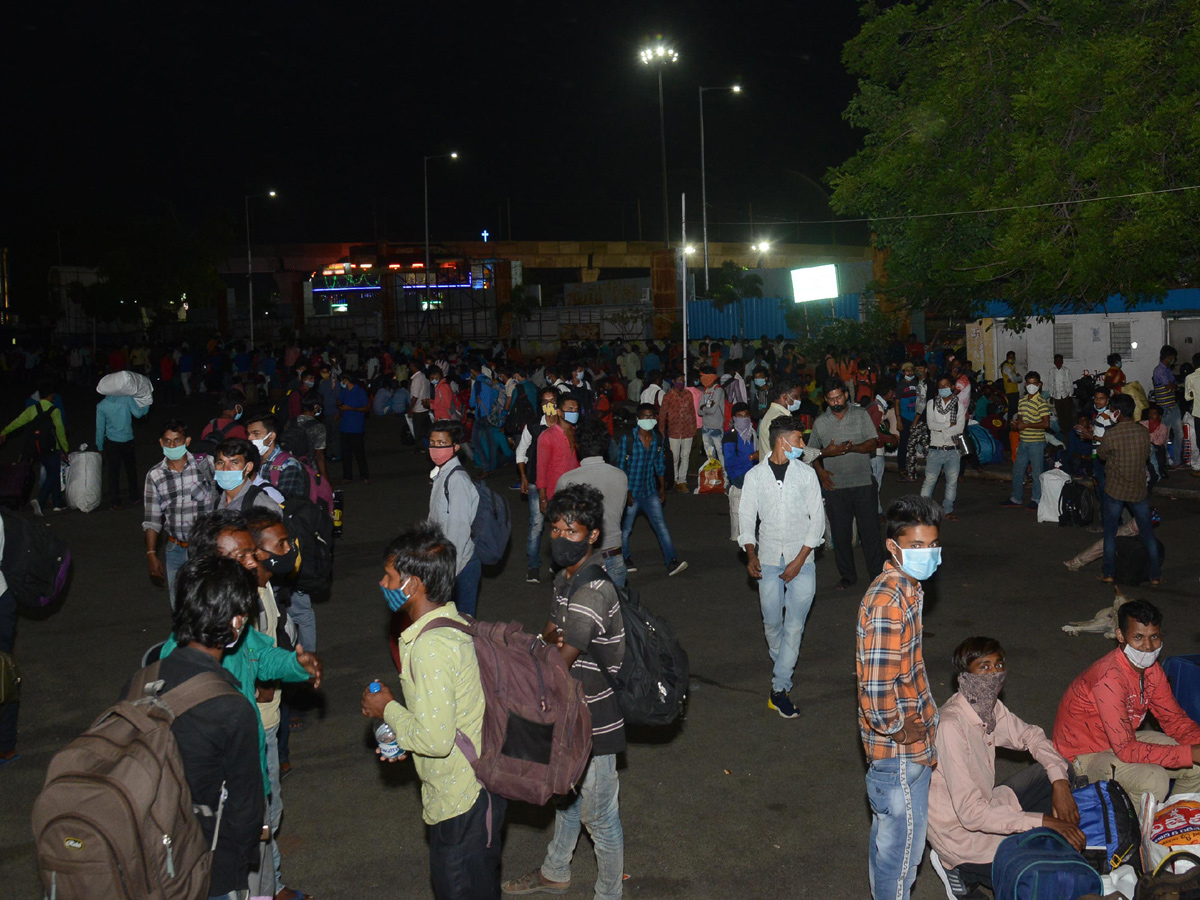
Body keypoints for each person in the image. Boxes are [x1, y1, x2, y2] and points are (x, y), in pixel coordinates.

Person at [360, 522, 502, 900]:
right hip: (467, 792)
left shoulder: (429, 647)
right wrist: (405, 737)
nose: (383, 583)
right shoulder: (452, 621)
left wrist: (387, 708)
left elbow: (436, 740)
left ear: (414, 585)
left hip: (462, 801)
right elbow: (442, 720)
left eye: (390, 576)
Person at [502, 485, 625, 900]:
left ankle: (609, 894)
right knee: (566, 795)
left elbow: (558, 656)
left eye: (571, 532)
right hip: (568, 708)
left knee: (600, 816)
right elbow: (551, 634)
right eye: (554, 529)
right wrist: (542, 644)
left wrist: (530, 651)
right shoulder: (564, 578)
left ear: (592, 536)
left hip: (595, 717)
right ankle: (556, 870)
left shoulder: (591, 590)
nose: (559, 538)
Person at [143, 555, 266, 900]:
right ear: (237, 623)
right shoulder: (230, 707)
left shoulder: (144, 678)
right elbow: (245, 807)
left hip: (146, 850)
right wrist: (239, 864)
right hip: (203, 862)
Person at [928, 637, 1083, 892]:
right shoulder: (950, 727)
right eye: (984, 667)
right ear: (964, 675)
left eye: (999, 666)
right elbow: (972, 815)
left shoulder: (988, 709)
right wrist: (1045, 822)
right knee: (1039, 880)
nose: (995, 674)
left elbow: (1031, 736)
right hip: (963, 838)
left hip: (988, 804)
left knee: (1058, 771)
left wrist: (1060, 784)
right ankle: (957, 870)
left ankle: (1037, 836)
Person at [857, 495, 942, 900]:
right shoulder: (890, 600)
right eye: (917, 546)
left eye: (932, 546)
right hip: (899, 758)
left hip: (907, 751)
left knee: (890, 846)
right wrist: (897, 728)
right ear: (894, 547)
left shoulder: (908, 588)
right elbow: (875, 687)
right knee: (901, 857)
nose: (927, 554)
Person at [1053, 599, 1200, 805]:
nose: (1148, 647)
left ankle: (1174, 825)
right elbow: (1127, 749)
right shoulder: (1108, 678)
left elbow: (1174, 720)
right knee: (1154, 779)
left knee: (1196, 766)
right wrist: (1190, 752)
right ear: (1121, 635)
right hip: (1083, 758)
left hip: (1120, 741)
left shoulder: (1151, 670)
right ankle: (1135, 833)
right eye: (1138, 637)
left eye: (1154, 637)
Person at [739, 415, 824, 719]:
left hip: (803, 559)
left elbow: (818, 520)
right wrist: (750, 554)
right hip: (769, 559)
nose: (803, 445)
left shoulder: (806, 475)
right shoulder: (755, 477)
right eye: (799, 439)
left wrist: (799, 561)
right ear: (782, 441)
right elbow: (747, 519)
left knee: (795, 625)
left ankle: (779, 687)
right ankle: (784, 665)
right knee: (772, 623)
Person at [1077, 393, 1161, 585]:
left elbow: (1102, 455)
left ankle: (1109, 572)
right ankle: (1155, 575)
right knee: (1147, 532)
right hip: (1138, 489)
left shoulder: (1112, 434)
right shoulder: (1142, 432)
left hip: (1115, 489)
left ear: (1117, 412)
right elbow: (1147, 455)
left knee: (1110, 532)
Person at [809, 379, 884, 590]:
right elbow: (809, 452)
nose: (836, 402)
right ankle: (848, 577)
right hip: (835, 486)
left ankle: (877, 577)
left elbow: (873, 442)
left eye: (839, 397)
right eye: (831, 399)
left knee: (870, 534)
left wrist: (851, 449)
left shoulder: (861, 415)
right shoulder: (820, 423)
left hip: (862, 484)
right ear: (826, 400)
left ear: (846, 395)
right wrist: (821, 470)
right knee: (841, 536)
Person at [144, 420, 217, 606]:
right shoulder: (155, 476)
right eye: (167, 441)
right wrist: (151, 553)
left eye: (177, 440)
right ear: (160, 442)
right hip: (174, 550)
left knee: (207, 603)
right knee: (179, 606)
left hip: (204, 548)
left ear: (187, 441)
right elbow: (152, 518)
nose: (172, 445)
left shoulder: (206, 465)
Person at [556, 418, 629, 587]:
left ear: (578, 446)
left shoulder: (566, 481)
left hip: (583, 558)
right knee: (614, 611)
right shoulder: (620, 476)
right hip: (614, 555)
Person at [617, 403, 687, 577]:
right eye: (645, 417)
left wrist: (662, 487)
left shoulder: (657, 438)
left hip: (649, 490)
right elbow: (620, 468)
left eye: (651, 417)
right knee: (625, 529)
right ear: (637, 419)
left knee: (661, 526)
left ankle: (671, 562)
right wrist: (625, 492)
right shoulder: (628, 439)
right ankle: (624, 559)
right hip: (631, 491)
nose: (648, 420)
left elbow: (659, 464)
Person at [427, 421, 482, 616]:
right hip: (445, 559)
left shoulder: (457, 480)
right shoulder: (441, 474)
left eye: (442, 443)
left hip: (459, 565)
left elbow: (459, 530)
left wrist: (449, 571)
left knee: (461, 625)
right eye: (432, 443)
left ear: (455, 447)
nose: (435, 448)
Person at [0, 382, 69, 516]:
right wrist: (64, 449)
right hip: (52, 447)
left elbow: (17, 422)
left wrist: (4, 432)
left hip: (37, 448)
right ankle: (40, 499)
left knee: (52, 472)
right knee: (54, 474)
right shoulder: (54, 411)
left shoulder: (32, 409)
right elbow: (60, 431)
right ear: (51, 396)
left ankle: (57, 503)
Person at [515, 387, 558, 584]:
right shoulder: (533, 426)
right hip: (535, 480)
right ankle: (533, 565)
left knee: (561, 523)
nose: (548, 405)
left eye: (552, 401)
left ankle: (559, 562)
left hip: (559, 482)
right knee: (536, 524)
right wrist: (523, 476)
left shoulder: (565, 425)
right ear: (540, 405)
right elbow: (521, 451)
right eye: (544, 402)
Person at [1001, 372, 1050, 510]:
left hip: (1036, 442)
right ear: (1025, 384)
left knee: (1036, 472)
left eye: (1034, 383)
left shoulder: (1041, 402)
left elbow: (1046, 424)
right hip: (1023, 441)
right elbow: (1021, 419)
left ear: (1039, 385)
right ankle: (1016, 498)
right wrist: (1016, 424)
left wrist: (1026, 425)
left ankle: (1036, 499)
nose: (1031, 386)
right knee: (1018, 470)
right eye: (1029, 383)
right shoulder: (1022, 401)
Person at [921, 375, 966, 521]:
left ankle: (948, 510)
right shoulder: (931, 404)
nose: (943, 388)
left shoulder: (959, 405)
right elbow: (931, 425)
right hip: (935, 449)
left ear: (952, 386)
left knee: (952, 482)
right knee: (930, 480)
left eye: (946, 385)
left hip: (953, 450)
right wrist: (949, 426)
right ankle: (923, 511)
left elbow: (959, 428)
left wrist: (942, 430)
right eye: (940, 386)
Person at [95, 389, 150, 510]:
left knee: (113, 472)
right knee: (131, 470)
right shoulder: (126, 399)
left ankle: (115, 501)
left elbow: (100, 428)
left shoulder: (101, 405)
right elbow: (138, 414)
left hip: (111, 442)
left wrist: (99, 446)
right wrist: (146, 405)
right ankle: (134, 496)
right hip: (127, 440)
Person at [535, 393, 579, 514]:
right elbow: (541, 468)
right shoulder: (547, 436)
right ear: (559, 412)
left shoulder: (577, 433)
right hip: (556, 492)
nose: (574, 413)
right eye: (570, 409)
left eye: (576, 410)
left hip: (576, 491)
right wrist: (543, 498)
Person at [722, 402, 758, 546]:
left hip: (752, 474)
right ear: (734, 418)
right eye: (740, 416)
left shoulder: (753, 434)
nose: (743, 419)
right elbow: (729, 462)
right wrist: (751, 457)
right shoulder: (730, 437)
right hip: (738, 475)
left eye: (746, 416)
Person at [214, 439, 284, 514]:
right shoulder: (219, 502)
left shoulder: (262, 505)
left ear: (248, 468)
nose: (225, 469)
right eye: (220, 463)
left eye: (234, 463)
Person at [659, 376, 698, 492]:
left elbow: (692, 413)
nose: (681, 383)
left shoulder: (688, 394)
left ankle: (682, 480)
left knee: (685, 457)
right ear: (673, 381)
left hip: (688, 430)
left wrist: (694, 432)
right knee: (674, 458)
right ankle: (674, 480)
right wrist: (661, 432)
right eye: (679, 380)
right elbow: (662, 415)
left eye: (682, 381)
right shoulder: (668, 396)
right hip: (674, 431)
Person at [866, 379, 899, 514]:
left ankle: (876, 510)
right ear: (888, 392)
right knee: (876, 483)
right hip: (876, 450)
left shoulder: (873, 405)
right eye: (892, 392)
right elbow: (874, 431)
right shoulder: (878, 408)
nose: (893, 395)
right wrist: (890, 439)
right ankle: (874, 512)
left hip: (871, 450)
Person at [337, 372, 371, 483]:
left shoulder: (360, 392)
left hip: (356, 428)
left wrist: (351, 408)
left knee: (359, 454)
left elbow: (366, 408)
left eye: (343, 380)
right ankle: (347, 477)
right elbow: (339, 402)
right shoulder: (344, 392)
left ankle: (365, 476)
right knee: (346, 454)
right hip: (344, 427)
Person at [1151, 345, 1182, 466]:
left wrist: (1174, 385)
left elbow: (1173, 384)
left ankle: (1177, 461)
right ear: (1168, 358)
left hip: (1173, 407)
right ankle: (1163, 463)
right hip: (1165, 408)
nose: (1174, 361)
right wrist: (1174, 386)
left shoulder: (1167, 370)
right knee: (1164, 436)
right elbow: (1170, 386)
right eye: (1173, 358)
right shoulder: (1159, 370)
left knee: (1179, 434)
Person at [757, 377, 802, 458]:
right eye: (796, 397)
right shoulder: (779, 418)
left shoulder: (773, 413)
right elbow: (791, 449)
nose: (799, 400)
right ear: (785, 397)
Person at [696, 366, 726, 467]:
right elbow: (699, 411)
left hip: (716, 426)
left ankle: (724, 476)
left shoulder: (718, 390)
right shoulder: (705, 390)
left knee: (720, 453)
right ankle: (713, 475)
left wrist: (704, 407)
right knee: (710, 455)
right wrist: (706, 408)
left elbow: (711, 410)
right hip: (706, 426)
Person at [1048, 354, 1074, 437]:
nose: (1058, 362)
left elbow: (1069, 383)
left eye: (1060, 360)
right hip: (1056, 396)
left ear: (1062, 362)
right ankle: (1062, 430)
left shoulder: (1066, 371)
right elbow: (1051, 383)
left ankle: (1069, 429)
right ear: (1054, 362)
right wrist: (1051, 395)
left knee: (1067, 413)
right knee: (1059, 413)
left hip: (1065, 395)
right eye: (1056, 361)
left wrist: (1070, 395)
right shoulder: (1052, 371)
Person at [1185, 352, 1200, 475]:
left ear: (1194, 364)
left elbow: (1187, 398)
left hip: (1198, 413)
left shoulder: (1190, 378)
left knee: (1199, 441)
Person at [1000, 351, 1021, 418]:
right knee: (1012, 411)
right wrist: (1017, 377)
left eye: (1013, 357)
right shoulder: (1007, 367)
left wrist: (1016, 377)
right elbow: (1014, 379)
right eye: (1010, 357)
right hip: (1010, 391)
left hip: (1014, 390)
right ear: (1007, 358)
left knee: (1015, 410)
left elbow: (1015, 379)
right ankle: (1009, 426)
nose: (1011, 359)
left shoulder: (1012, 367)